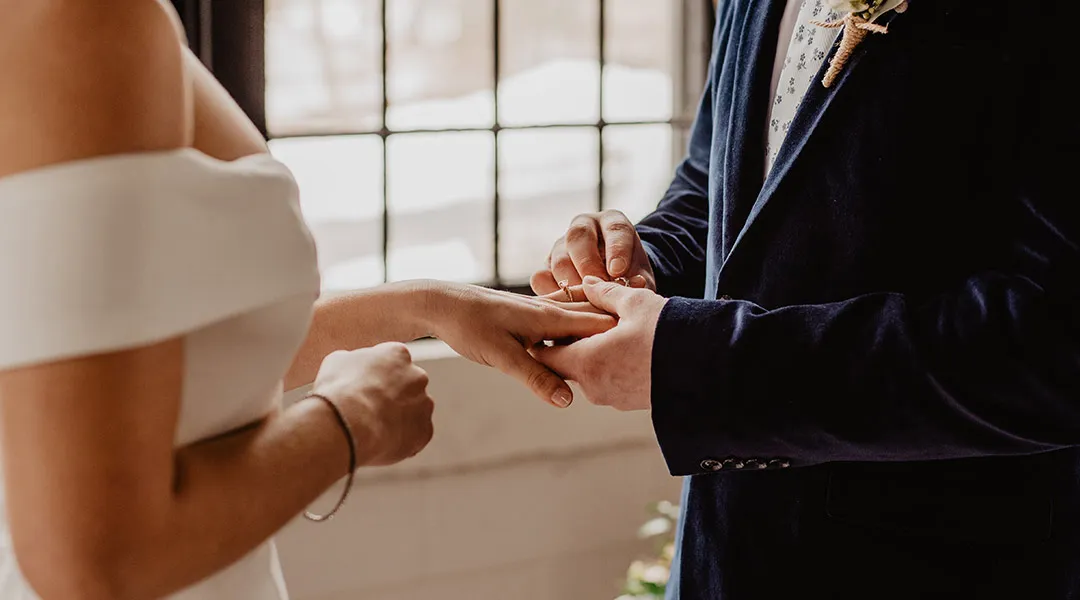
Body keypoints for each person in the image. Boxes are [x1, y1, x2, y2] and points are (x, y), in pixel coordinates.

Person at [0, 2, 612, 598]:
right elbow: (97, 562)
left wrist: (425, 307)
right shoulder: (80, 21)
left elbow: (149, 381)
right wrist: (355, 419)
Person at [532, 0, 1079, 598]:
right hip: (720, 558)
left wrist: (704, 364)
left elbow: (1055, 340)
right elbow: (721, 184)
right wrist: (642, 262)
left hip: (935, 566)